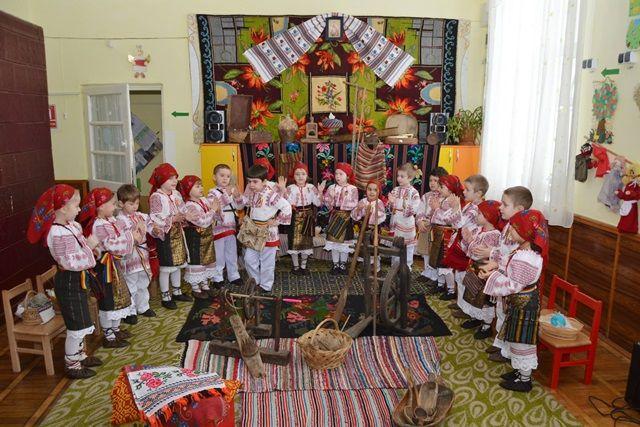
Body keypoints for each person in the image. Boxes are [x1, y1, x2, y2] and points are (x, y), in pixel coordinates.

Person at [27, 184, 103, 379]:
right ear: (62, 208)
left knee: (82, 320)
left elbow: (80, 249)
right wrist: (89, 247)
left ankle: (80, 355)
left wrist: (91, 248)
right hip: (69, 280)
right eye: (76, 205)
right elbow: (69, 262)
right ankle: (72, 365)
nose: (79, 209)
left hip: (78, 279)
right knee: (76, 325)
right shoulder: (57, 232)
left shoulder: (72, 226)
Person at [481, 209, 547, 392]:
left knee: (522, 341)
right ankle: (519, 372)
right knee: (516, 338)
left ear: (526, 232)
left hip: (524, 304)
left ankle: (525, 380)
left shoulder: (526, 257)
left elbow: (513, 284)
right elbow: (508, 266)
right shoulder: (522, 251)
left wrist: (491, 277)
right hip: (520, 302)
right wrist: (495, 269)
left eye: (513, 228)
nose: (509, 230)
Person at [79, 188, 140, 348]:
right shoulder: (99, 224)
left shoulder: (109, 220)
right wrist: (131, 237)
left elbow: (118, 235)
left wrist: (128, 234)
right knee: (109, 300)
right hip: (104, 267)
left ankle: (115, 329)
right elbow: (111, 244)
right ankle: (108, 335)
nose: (115, 207)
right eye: (112, 204)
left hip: (112, 265)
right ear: (100, 206)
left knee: (118, 296)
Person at [234, 162, 292, 291]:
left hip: (267, 232)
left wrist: (276, 221)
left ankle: (266, 286)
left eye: (255, 182)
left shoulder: (271, 194)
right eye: (249, 181)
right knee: (249, 259)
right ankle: (256, 281)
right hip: (253, 232)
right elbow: (240, 206)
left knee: (266, 261)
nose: (251, 185)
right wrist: (238, 197)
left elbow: (286, 207)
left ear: (264, 182)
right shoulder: (252, 193)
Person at [148, 163, 193, 309]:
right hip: (165, 236)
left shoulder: (176, 194)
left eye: (175, 178)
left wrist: (186, 215)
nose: (174, 181)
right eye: (170, 178)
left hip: (177, 233)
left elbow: (182, 209)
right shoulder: (156, 197)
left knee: (178, 264)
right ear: (161, 180)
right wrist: (173, 219)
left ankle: (177, 291)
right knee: (166, 267)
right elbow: (155, 218)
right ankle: (165, 296)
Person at [116, 184, 155, 322]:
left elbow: (150, 225)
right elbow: (123, 235)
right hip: (130, 255)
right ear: (121, 204)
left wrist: (154, 227)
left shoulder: (140, 215)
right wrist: (135, 227)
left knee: (143, 280)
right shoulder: (119, 220)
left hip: (142, 254)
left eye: (137, 203)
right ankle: (130, 311)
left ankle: (143, 306)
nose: (135, 207)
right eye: (131, 204)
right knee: (131, 283)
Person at [180, 175, 221, 298]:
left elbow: (213, 215)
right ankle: (195, 288)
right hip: (195, 238)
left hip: (207, 237)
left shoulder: (203, 200)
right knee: (196, 260)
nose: (201, 188)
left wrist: (217, 210)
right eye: (197, 186)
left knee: (207, 260)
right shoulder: (189, 205)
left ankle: (205, 285)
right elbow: (202, 222)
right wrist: (212, 210)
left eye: (201, 185)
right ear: (188, 189)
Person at [284, 162, 323, 275]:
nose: (300, 176)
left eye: (303, 174)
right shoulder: (290, 188)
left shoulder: (311, 188)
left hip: (308, 217)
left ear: (307, 175)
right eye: (297, 174)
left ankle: (303, 266)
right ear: (293, 176)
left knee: (306, 242)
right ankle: (296, 267)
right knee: (294, 242)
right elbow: (284, 203)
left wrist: (320, 192)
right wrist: (283, 190)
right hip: (294, 216)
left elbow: (318, 203)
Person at [206, 164, 242, 286]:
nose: (225, 178)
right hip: (219, 227)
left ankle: (234, 275)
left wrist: (237, 196)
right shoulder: (212, 192)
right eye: (222, 175)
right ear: (214, 177)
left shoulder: (231, 191)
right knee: (219, 254)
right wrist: (227, 194)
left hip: (231, 227)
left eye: (228, 176)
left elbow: (239, 207)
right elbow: (215, 206)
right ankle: (217, 277)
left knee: (232, 253)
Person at [323, 162, 359, 275]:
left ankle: (343, 264)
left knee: (345, 243)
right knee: (334, 242)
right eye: (336, 173)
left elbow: (355, 203)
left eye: (341, 174)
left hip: (346, 218)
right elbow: (327, 203)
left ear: (347, 176)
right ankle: (335, 264)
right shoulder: (331, 187)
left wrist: (343, 200)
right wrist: (331, 198)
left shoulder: (353, 189)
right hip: (335, 217)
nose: (338, 176)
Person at [387, 163, 421, 270]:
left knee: (408, 247)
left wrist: (404, 208)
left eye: (402, 176)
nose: (399, 178)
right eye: (398, 176)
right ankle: (394, 267)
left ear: (410, 178)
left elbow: (415, 208)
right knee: (395, 245)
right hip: (395, 220)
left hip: (406, 222)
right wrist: (390, 203)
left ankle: (407, 267)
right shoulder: (395, 190)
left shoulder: (414, 192)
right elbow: (390, 208)